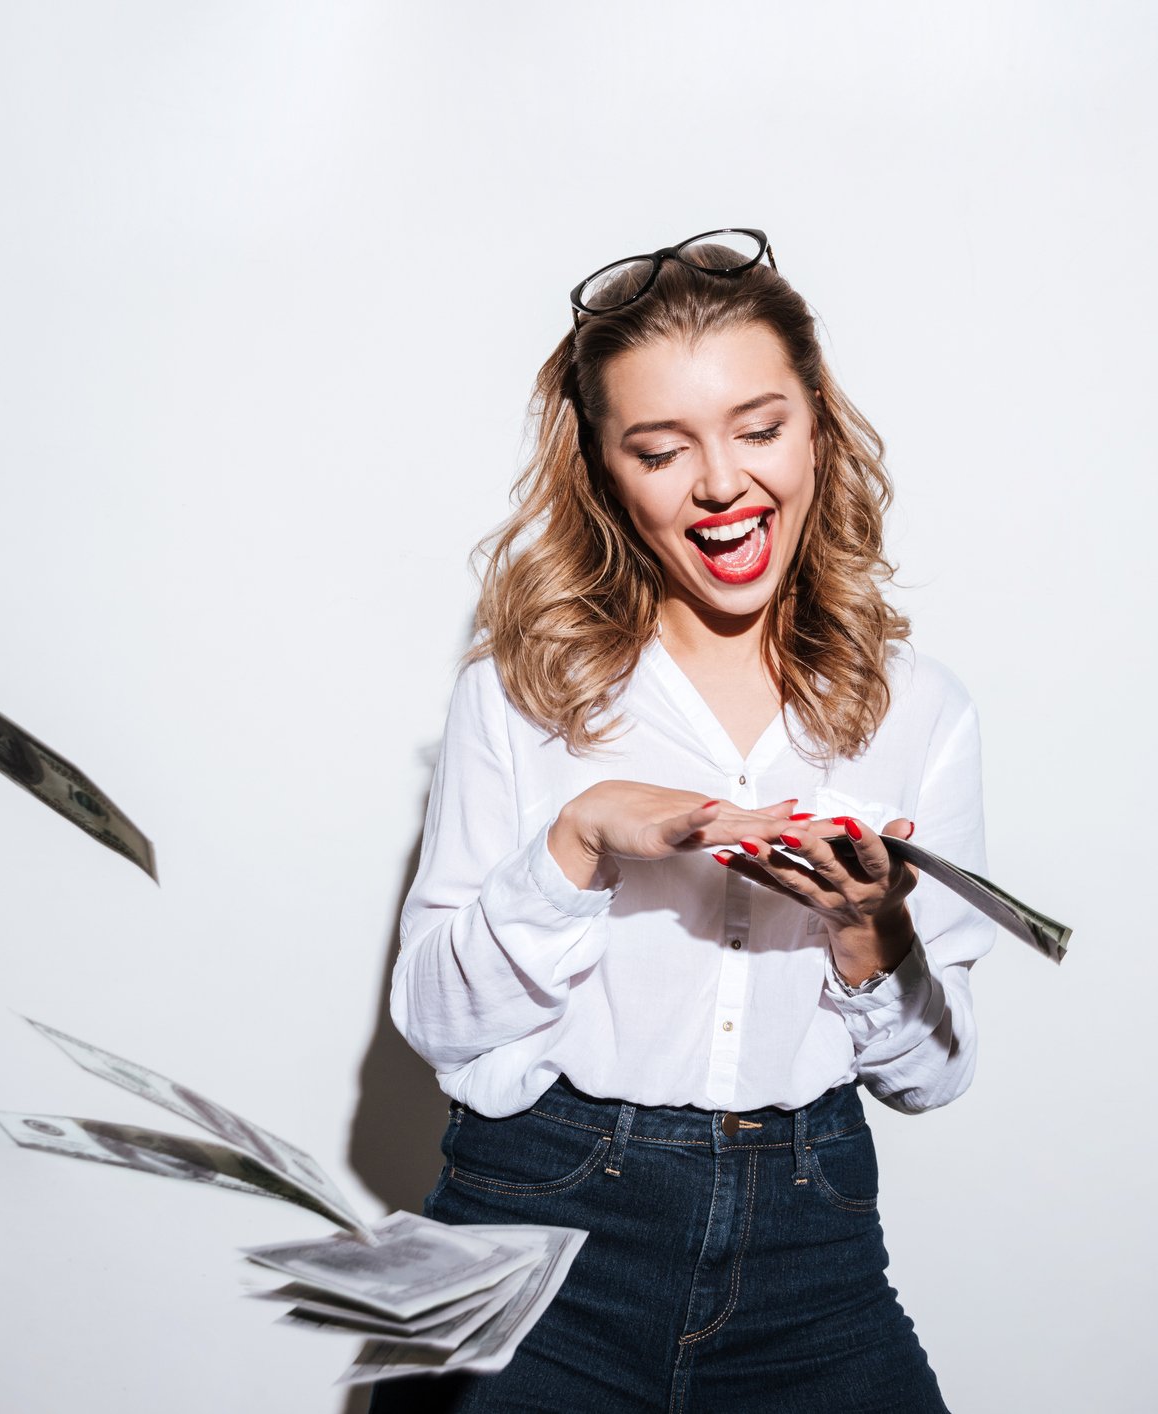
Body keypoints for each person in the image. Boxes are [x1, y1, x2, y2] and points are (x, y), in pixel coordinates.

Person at [367, 230, 995, 1413]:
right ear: (605, 468)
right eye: (661, 450)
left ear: (814, 423)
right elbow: (435, 1024)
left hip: (809, 1243)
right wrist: (577, 845)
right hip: (532, 1224)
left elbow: (932, 1077)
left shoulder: (919, 709)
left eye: (758, 430)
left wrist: (871, 933)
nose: (720, 485)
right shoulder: (518, 693)